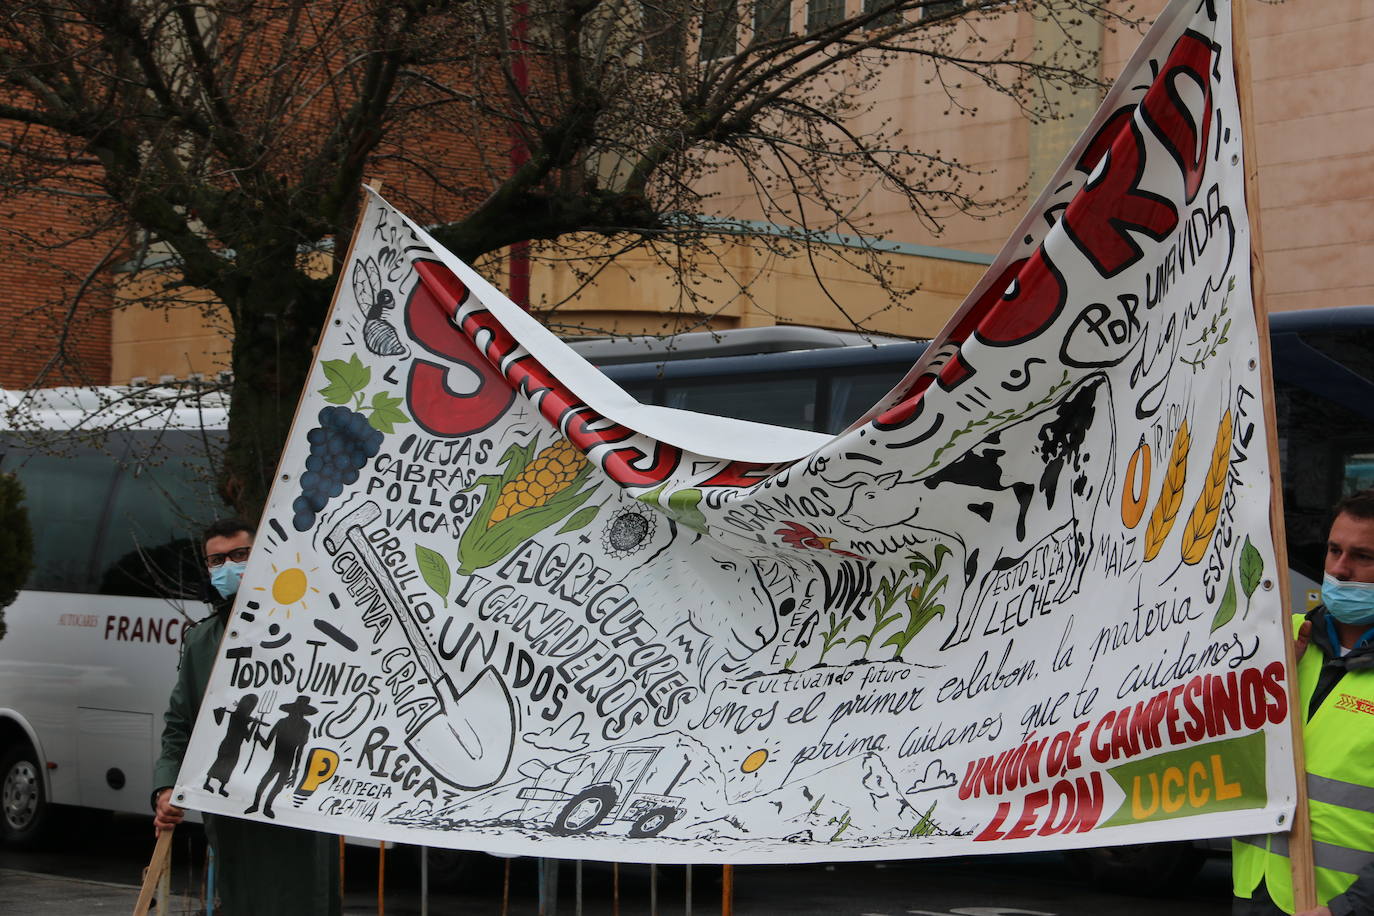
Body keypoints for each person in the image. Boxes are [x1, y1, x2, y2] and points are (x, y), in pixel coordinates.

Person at [152, 518, 341, 915]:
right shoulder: (202, 640)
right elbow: (180, 722)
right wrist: (166, 787)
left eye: (240, 555)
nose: (228, 567)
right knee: (243, 900)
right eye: (216, 560)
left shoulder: (309, 629)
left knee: (302, 900)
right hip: (232, 809)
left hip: (297, 807)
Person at [1234, 489, 1374, 916]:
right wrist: (1260, 687)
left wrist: (1346, 910)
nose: (1337, 568)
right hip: (1254, 893)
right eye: (1333, 549)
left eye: (1362, 556)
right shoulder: (1278, 641)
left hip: (1339, 908)